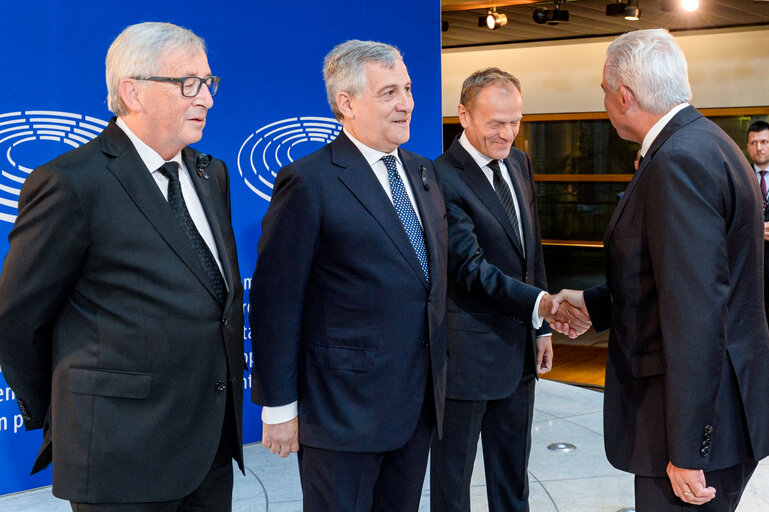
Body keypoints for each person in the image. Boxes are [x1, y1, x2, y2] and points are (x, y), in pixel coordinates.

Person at [0, 22, 244, 511]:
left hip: (210, 448)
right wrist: (72, 410)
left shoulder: (209, 172)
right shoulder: (71, 183)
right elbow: (17, 317)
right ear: (133, 91)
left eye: (208, 84)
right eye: (188, 84)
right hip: (118, 451)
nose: (206, 99)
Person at [555, 29, 769, 511]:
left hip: (698, 427)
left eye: (604, 90)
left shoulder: (677, 161)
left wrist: (688, 449)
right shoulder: (709, 142)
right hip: (721, 412)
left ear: (624, 95)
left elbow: (696, 312)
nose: (605, 101)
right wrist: (594, 304)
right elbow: (671, 277)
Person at [248, 40, 448, 512]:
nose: (406, 103)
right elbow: (276, 301)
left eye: (408, 88)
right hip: (341, 413)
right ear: (346, 103)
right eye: (389, 92)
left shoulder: (423, 172)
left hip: (417, 406)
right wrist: (278, 407)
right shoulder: (309, 181)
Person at [430, 67, 588, 512]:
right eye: (495, 122)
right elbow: (467, 268)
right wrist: (540, 303)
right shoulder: (440, 177)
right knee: (453, 483)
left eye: (515, 121)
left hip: (518, 350)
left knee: (512, 479)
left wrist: (541, 329)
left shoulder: (519, 162)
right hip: (465, 358)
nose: (507, 134)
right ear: (463, 115)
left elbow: (529, 249)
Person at [746, 120, 769, 326]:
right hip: (749, 263)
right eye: (754, 143)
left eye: (764, 141)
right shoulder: (739, 174)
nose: (759, 147)